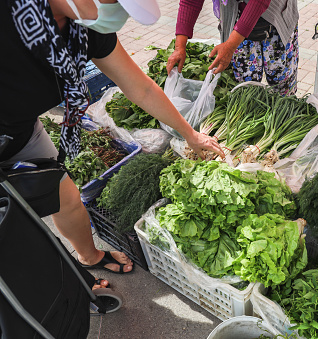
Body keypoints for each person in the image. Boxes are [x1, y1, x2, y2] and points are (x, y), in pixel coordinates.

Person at [1, 0, 224, 279]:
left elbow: (140, 88)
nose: (115, 13)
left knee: (65, 196)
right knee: (12, 234)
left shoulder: (84, 27)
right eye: (112, 2)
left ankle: (88, 256)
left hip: (21, 129)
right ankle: (46, 300)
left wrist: (191, 135)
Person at [167, 0, 299, 96]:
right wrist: (180, 46)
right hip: (236, 20)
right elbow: (191, 2)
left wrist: (230, 46)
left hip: (277, 18)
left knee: (283, 88)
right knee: (245, 91)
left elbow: (259, 2)